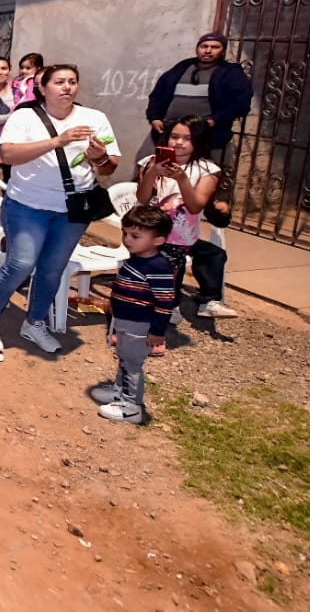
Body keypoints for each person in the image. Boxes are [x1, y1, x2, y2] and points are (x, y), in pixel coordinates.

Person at [0, 64, 121, 355]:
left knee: (53, 268)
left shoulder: (94, 118)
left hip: (72, 209)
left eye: (72, 81)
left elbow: (109, 167)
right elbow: (8, 154)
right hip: (27, 205)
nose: (67, 87)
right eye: (59, 82)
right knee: (20, 263)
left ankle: (34, 322)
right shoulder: (24, 116)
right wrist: (58, 140)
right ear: (42, 88)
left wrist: (100, 158)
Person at [135, 115, 236, 325]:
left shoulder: (207, 170)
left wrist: (182, 179)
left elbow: (195, 206)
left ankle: (208, 300)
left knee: (214, 254)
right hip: (152, 234)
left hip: (184, 235)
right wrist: (152, 172)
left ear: (198, 141)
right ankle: (170, 305)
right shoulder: (150, 162)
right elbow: (142, 198)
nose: (179, 142)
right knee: (174, 257)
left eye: (187, 138)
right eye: (174, 136)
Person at [91, 206, 175, 424]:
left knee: (132, 364)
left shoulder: (158, 267)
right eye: (125, 233)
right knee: (125, 357)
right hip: (125, 322)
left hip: (140, 325)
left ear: (158, 240)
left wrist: (157, 331)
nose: (127, 240)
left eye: (135, 236)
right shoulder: (136, 259)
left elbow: (165, 302)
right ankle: (119, 391)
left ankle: (131, 406)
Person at [146, 32, 254, 155]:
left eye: (214, 47)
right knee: (166, 166)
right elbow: (157, 95)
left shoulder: (230, 73)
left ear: (223, 51)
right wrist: (154, 117)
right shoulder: (182, 67)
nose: (208, 51)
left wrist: (215, 120)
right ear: (197, 49)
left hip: (204, 136)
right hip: (170, 133)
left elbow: (241, 103)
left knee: (199, 167)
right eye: (204, 46)